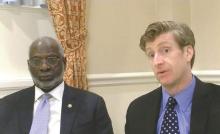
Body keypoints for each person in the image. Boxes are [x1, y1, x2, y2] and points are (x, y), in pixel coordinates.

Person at [0, 36, 114, 134]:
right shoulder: (7, 106)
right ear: (29, 65)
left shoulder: (92, 105)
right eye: (36, 61)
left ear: (64, 63)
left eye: (51, 59)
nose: (44, 67)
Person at [125, 21, 220, 134]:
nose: (157, 62)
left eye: (165, 50)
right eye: (151, 54)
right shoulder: (137, 110)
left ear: (188, 53)